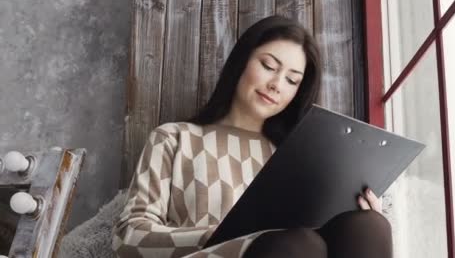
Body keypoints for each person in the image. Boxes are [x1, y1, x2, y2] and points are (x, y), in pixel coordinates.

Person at [112, 15, 392, 258]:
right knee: (296, 244)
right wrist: (222, 235)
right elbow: (129, 237)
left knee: (369, 225)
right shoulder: (174, 138)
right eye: (269, 66)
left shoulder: (295, 159)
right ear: (242, 62)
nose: (276, 85)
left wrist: (358, 210)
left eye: (292, 80)